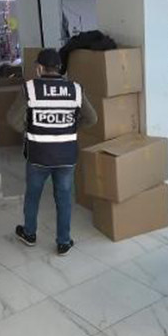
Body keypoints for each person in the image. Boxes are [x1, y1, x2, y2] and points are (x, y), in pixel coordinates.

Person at [15, 49, 97, 255]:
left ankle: (29, 234)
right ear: (60, 68)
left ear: (40, 68)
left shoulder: (30, 88)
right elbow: (92, 118)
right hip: (66, 156)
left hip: (38, 156)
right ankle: (63, 242)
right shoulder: (75, 89)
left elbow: (12, 119)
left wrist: (30, 127)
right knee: (64, 199)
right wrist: (71, 126)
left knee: (32, 196)